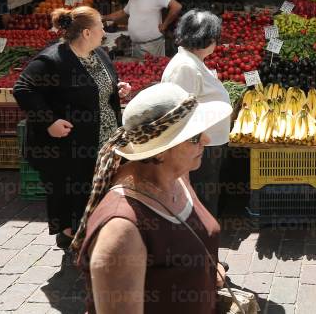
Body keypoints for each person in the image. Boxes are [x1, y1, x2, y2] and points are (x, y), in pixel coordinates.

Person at [72, 83, 232, 314]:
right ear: (160, 150)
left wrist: (206, 269)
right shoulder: (121, 229)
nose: (206, 139)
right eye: (194, 137)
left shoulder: (178, 175)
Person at [14, 6, 131, 249]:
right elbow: (23, 90)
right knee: (72, 188)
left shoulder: (98, 53)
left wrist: (116, 87)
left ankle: (89, 230)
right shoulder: (52, 60)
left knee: (95, 184)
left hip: (102, 136)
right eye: (101, 27)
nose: (104, 31)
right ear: (87, 32)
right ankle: (72, 235)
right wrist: (49, 121)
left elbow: (96, 85)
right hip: (69, 143)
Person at [161, 10, 231, 217]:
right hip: (198, 148)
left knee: (208, 195)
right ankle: (201, 239)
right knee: (201, 199)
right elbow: (179, 114)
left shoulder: (192, 61)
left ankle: (206, 234)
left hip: (207, 145)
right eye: (215, 39)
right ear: (207, 40)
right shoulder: (184, 67)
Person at [104, 0, 182, 57]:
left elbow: (176, 6)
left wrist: (165, 25)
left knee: (153, 68)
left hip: (152, 45)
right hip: (136, 46)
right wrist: (103, 17)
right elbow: (122, 13)